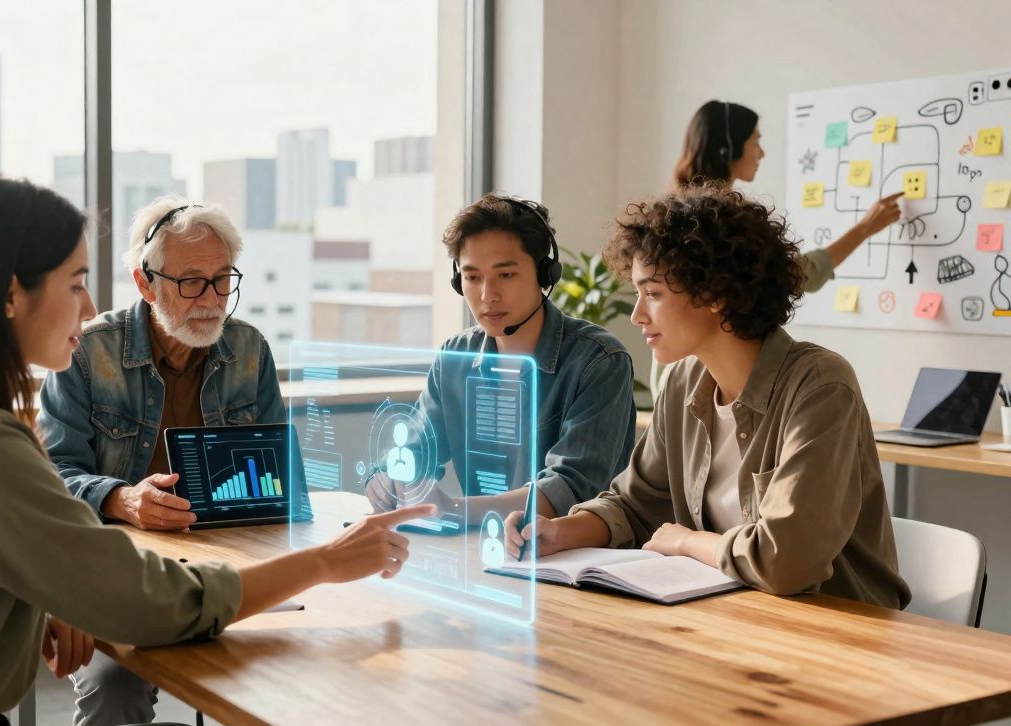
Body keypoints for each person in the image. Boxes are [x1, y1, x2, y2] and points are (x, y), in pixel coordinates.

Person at [0, 173, 434, 726]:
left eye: (220, 280)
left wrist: (43, 597)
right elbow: (150, 604)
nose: (89, 308)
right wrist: (324, 563)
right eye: (75, 283)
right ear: (11, 294)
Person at [504, 184, 910, 609]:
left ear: (715, 293)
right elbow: (634, 504)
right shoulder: (683, 382)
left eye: (654, 294)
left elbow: (786, 560)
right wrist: (561, 531)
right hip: (737, 619)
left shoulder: (821, 387)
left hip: (839, 630)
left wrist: (687, 542)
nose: (637, 314)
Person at [36, 195, 284, 726]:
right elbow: (52, 478)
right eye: (192, 281)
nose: (212, 298)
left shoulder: (249, 350)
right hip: (114, 564)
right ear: (145, 283)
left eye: (223, 280)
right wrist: (121, 499)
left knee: (288, 673)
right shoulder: (84, 352)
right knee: (114, 686)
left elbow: (278, 474)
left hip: (227, 560)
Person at [366, 194, 637, 525]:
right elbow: (414, 445)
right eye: (472, 277)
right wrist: (386, 477)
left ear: (544, 274)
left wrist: (453, 509)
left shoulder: (599, 361)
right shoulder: (456, 359)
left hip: (571, 561)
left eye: (505, 275)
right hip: (487, 554)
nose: (487, 295)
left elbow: (572, 488)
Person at [652, 100, 905, 397]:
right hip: (701, 379)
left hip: (681, 377)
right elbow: (790, 275)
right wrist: (863, 230)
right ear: (728, 148)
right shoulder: (713, 225)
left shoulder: (676, 215)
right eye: (755, 141)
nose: (761, 153)